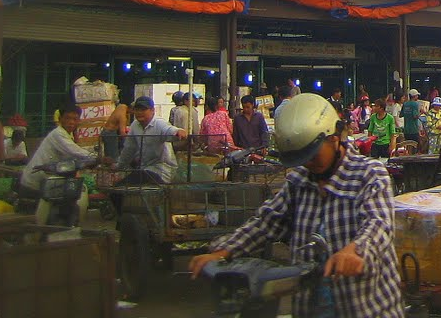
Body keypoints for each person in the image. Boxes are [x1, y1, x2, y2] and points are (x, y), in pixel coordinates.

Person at [189, 93, 404, 318]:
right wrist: (223, 252)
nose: (308, 163)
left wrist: (356, 250)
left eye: (313, 156)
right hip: (310, 307)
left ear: (334, 138)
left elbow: (378, 224)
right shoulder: (299, 180)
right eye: (302, 158)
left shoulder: (370, 174)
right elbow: (266, 222)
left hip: (367, 308)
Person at [18, 105, 94, 221]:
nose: (71, 122)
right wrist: (96, 157)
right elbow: (74, 151)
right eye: (67, 118)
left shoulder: (68, 135)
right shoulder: (58, 134)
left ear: (78, 121)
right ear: (60, 119)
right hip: (36, 182)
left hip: (50, 181)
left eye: (74, 119)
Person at [113, 96, 188, 183]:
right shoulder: (135, 125)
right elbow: (128, 149)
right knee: (124, 184)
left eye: (143, 110)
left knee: (137, 178)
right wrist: (118, 166)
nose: (139, 113)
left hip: (162, 171)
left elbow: (168, 129)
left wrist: (178, 131)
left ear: (152, 110)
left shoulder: (158, 123)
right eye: (137, 110)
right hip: (144, 169)